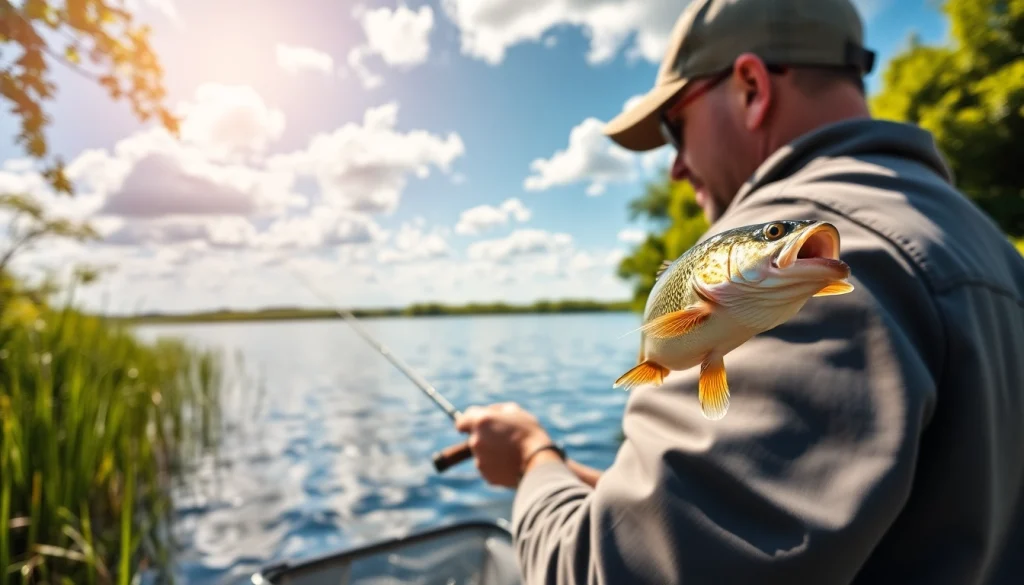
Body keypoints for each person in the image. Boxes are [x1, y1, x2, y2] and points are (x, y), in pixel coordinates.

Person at [454, 0, 1024, 583]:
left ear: (751, 87)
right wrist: (626, 499)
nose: (675, 167)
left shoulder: (817, 256)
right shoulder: (985, 243)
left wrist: (532, 462)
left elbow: (611, 573)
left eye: (675, 127)